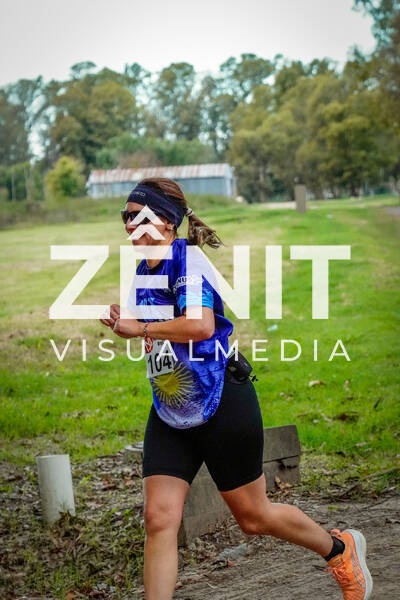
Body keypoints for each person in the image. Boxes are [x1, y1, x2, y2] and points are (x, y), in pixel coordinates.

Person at [100, 177, 373, 600]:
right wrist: (129, 324)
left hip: (222, 399)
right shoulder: (144, 270)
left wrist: (143, 329)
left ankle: (340, 550)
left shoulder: (189, 261)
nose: (129, 225)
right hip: (172, 408)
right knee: (159, 519)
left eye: (140, 216)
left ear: (168, 222)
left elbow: (200, 325)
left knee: (253, 517)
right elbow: (158, 329)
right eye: (126, 216)